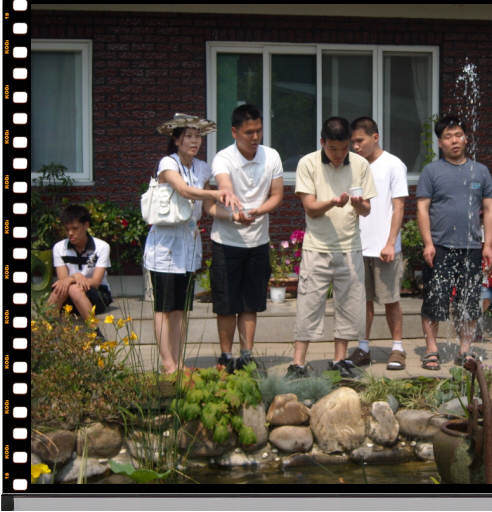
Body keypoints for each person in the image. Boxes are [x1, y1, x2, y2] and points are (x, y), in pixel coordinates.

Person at [144, 113, 239, 374]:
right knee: (164, 307)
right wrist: (216, 192)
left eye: (198, 136)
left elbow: (208, 207)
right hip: (165, 243)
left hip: (188, 243)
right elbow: (183, 190)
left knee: (180, 308)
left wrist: (233, 215)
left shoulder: (201, 168)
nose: (195, 141)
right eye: (189, 136)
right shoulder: (168, 163)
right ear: (176, 139)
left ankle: (178, 362)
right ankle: (167, 364)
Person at [289, 117, 377, 379]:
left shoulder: (360, 164)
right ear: (322, 142)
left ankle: (339, 361)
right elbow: (310, 208)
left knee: (349, 306)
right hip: (316, 247)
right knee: (308, 305)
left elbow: (367, 210)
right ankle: (298, 364)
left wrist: (358, 204)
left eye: (344, 148)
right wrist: (333, 203)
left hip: (350, 248)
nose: (339, 154)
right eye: (332, 149)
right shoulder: (308, 163)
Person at [203, 104, 284, 374]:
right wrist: (234, 210)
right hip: (226, 242)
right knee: (226, 303)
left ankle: (246, 355)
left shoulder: (271, 156)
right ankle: (226, 356)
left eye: (259, 131)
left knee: (251, 302)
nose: (255, 137)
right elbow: (224, 185)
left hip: (258, 241)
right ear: (234, 132)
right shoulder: (223, 158)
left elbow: (277, 195)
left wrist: (257, 211)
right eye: (249, 132)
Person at [416, 114, 492, 370]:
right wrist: (428, 243)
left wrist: (487, 245)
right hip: (439, 247)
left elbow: (489, 208)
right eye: (448, 137)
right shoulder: (431, 171)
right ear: (440, 142)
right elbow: (422, 208)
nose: (454, 140)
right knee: (434, 299)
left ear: (465, 139)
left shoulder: (480, 171)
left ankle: (465, 349)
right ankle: (431, 349)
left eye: (458, 135)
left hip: (471, 248)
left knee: (469, 300)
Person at [347, 117, 408, 370]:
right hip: (357, 245)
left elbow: (399, 206)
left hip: (385, 248)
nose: (355, 146)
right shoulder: (352, 165)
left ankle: (397, 349)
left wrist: (390, 243)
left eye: (360, 141)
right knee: (363, 301)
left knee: (391, 299)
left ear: (375, 137)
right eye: (352, 142)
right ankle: (363, 348)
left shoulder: (394, 164)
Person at [48, 205, 113, 338]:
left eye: (75, 228)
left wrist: (73, 278)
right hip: (70, 297)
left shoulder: (102, 247)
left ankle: (96, 335)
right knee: (60, 289)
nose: (70, 233)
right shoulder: (59, 247)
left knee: (74, 289)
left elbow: (96, 282)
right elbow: (63, 281)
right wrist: (75, 278)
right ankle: (45, 330)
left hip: (98, 295)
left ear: (86, 225)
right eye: (67, 229)